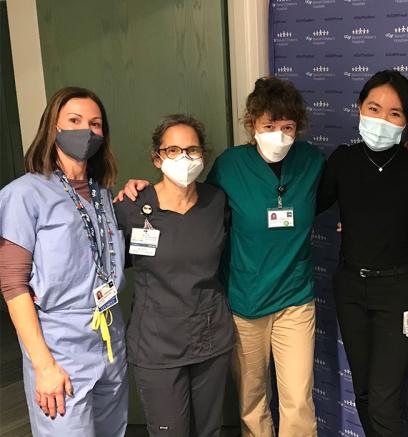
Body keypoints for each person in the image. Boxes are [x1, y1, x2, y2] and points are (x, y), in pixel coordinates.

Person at [118, 77, 324, 437]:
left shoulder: (312, 162)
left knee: (298, 401)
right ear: (252, 124)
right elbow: (190, 198)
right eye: (269, 125)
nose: (279, 135)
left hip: (295, 299)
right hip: (245, 301)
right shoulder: (229, 167)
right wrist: (139, 189)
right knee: (252, 399)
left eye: (288, 127)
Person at [0, 87, 127, 436]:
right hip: (60, 348)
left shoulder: (102, 196)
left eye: (95, 124)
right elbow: (12, 285)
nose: (86, 130)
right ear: (53, 127)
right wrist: (43, 365)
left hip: (108, 339)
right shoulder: (25, 194)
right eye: (74, 120)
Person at [316, 70, 408, 436]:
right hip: (351, 287)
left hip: (400, 292)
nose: (382, 119)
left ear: (407, 122)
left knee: (385, 396)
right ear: (359, 109)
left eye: (394, 113)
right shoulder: (343, 160)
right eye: (374, 108)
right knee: (365, 392)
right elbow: (306, 202)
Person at [114, 115, 234, 437]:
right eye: (173, 150)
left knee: (209, 430)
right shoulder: (132, 206)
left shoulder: (217, 202)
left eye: (192, 150)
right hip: (157, 345)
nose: (184, 158)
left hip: (210, 339)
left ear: (203, 156)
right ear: (157, 158)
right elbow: (107, 265)